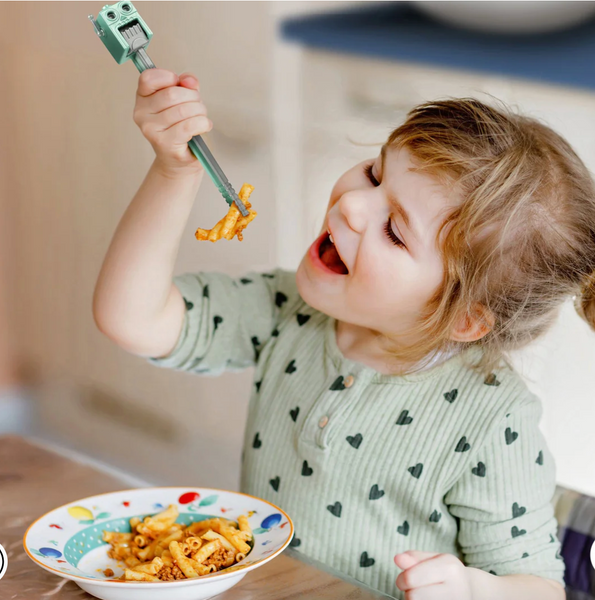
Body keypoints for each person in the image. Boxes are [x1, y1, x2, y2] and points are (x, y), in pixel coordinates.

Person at [94, 67, 595, 599]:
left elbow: (541, 588)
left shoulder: (494, 421)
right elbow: (133, 318)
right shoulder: (285, 309)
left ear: (463, 319)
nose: (352, 205)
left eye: (395, 232)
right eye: (376, 175)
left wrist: (476, 591)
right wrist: (174, 172)